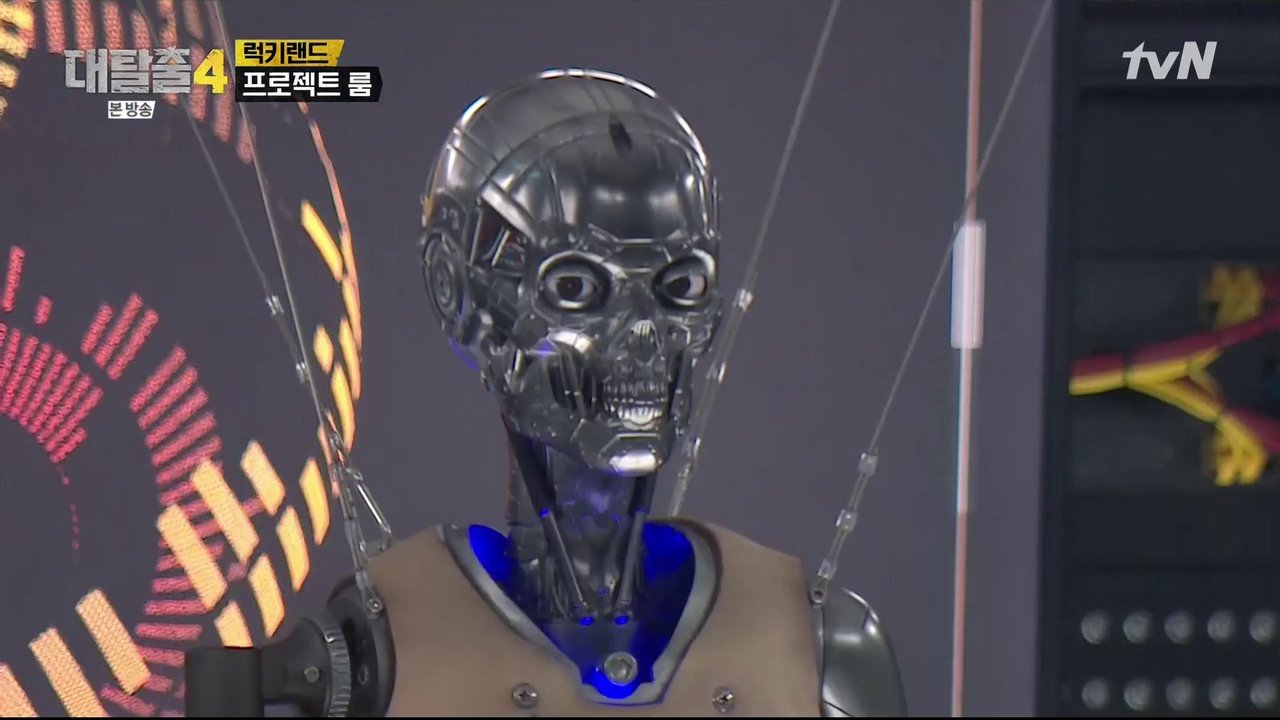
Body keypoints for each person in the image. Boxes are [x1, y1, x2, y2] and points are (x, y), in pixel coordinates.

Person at [185, 68, 907, 718]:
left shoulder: (820, 647)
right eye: (577, 288)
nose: (643, 338)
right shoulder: (378, 652)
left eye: (679, 286)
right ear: (459, 294)